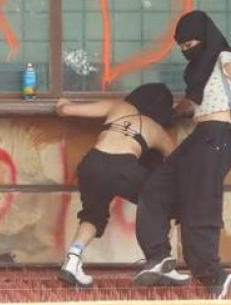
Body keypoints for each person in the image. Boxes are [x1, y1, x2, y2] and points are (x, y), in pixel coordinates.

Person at [132, 10, 231, 299]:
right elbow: (188, 105)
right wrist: (158, 115)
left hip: (218, 137)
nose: (187, 51)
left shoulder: (225, 60)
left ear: (205, 38)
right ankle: (159, 257)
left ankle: (214, 277)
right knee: (155, 187)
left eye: (191, 44)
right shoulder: (199, 71)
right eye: (182, 47)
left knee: (199, 204)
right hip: (200, 137)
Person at [56, 83, 185, 288]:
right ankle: (159, 258)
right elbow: (178, 162)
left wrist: (62, 103)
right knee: (156, 200)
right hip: (123, 166)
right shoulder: (155, 128)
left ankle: (73, 258)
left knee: (92, 214)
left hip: (92, 163)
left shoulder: (117, 107)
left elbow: (66, 110)